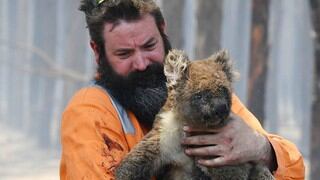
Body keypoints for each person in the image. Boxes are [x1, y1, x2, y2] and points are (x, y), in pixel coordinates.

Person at [59, 0, 305, 179]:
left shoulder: (202, 84)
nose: (142, 63)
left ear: (163, 30)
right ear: (97, 51)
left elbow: (295, 170)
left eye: (149, 45)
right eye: (124, 53)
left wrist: (261, 149)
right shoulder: (90, 110)